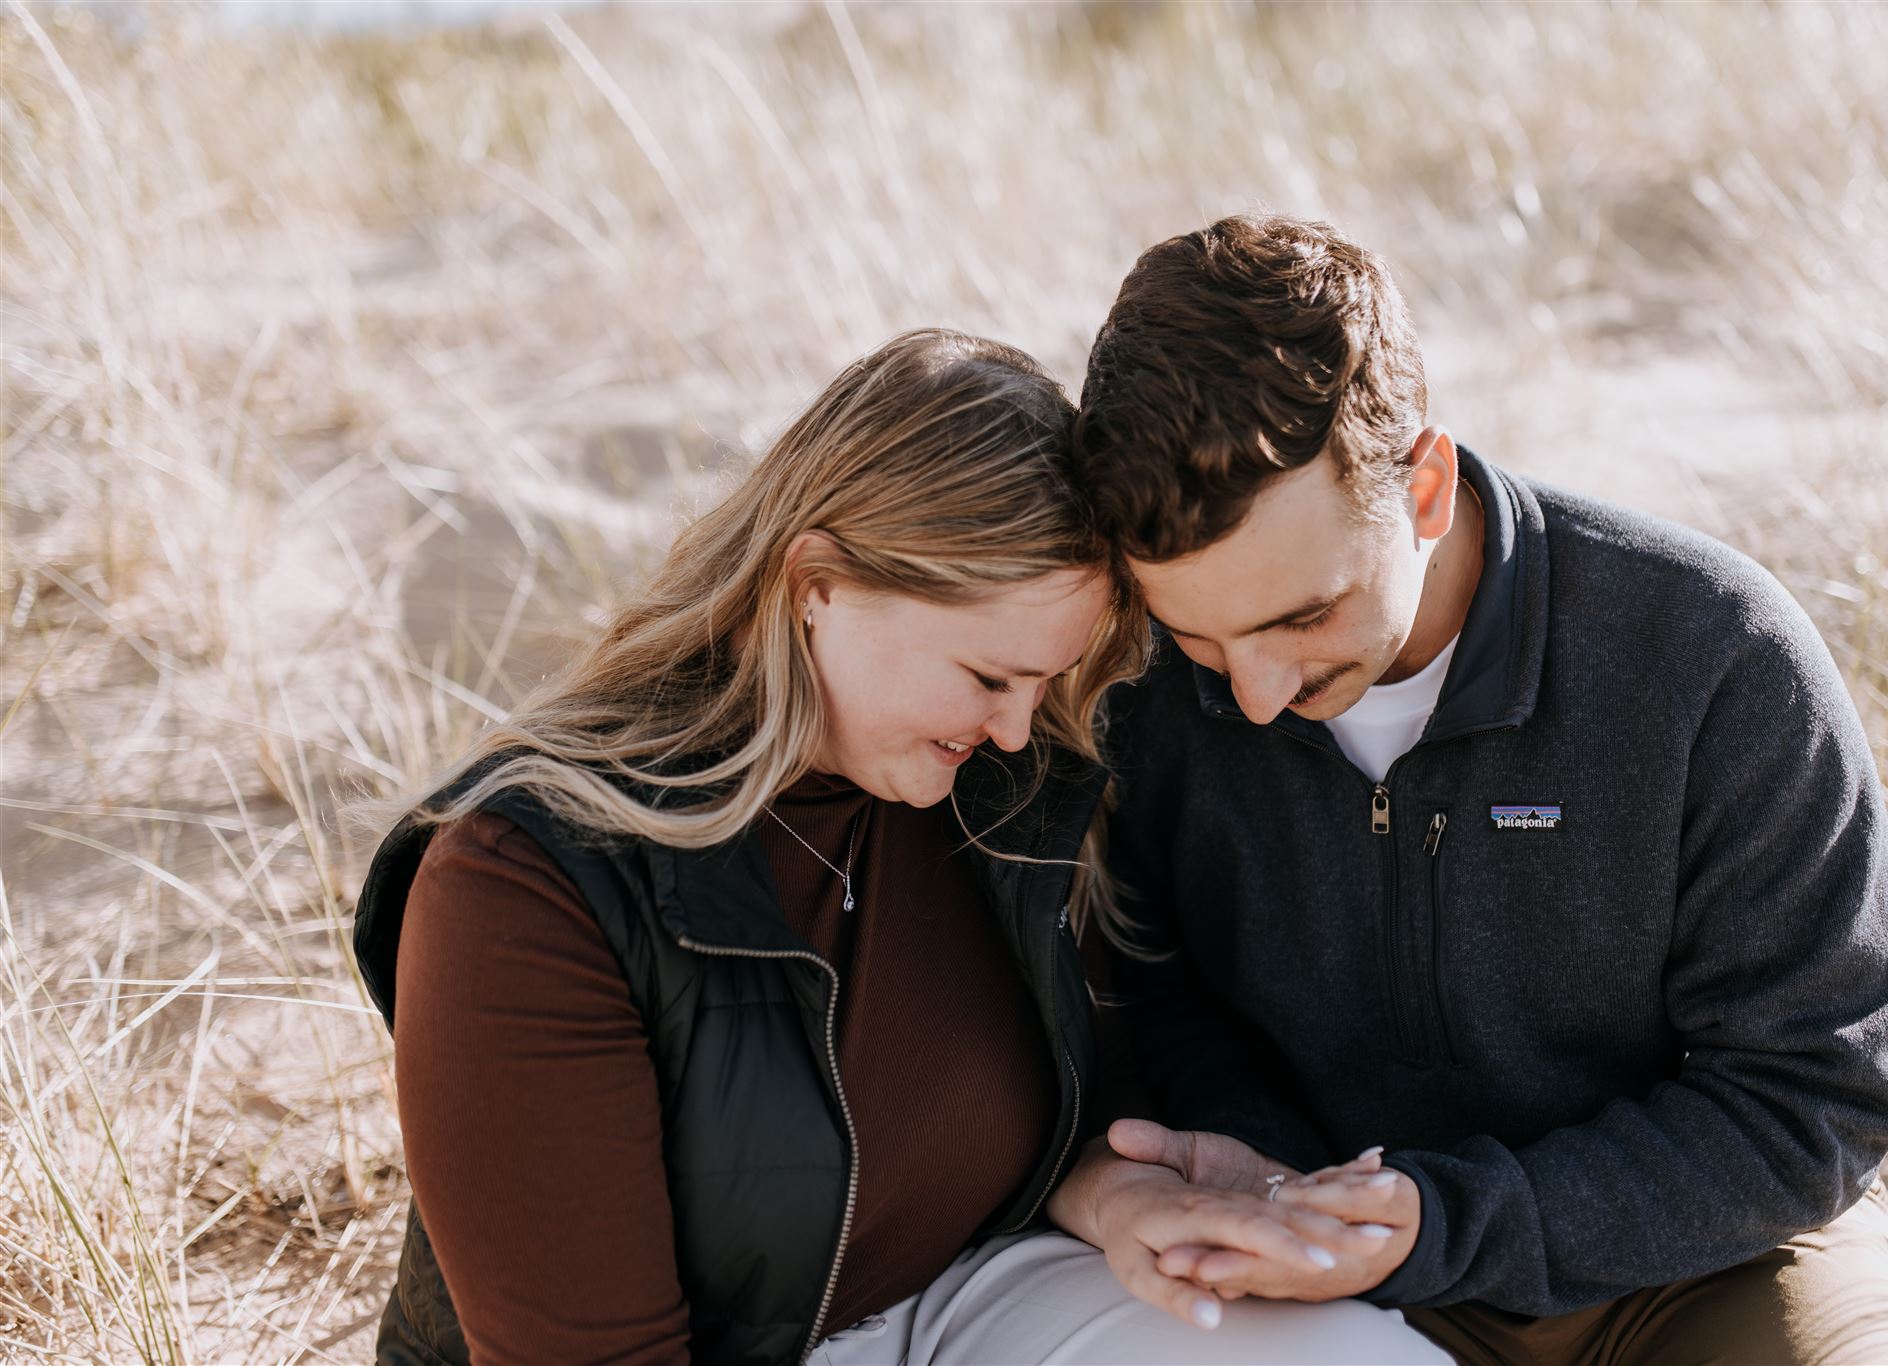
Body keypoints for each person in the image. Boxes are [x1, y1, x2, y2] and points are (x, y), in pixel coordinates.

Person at [349, 328, 1446, 1365]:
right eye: (985, 677)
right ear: (814, 584)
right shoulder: (528, 879)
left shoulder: (1001, 782)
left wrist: (1120, 1190)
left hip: (974, 1293)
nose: (1019, 728)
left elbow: (1030, 1100)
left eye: (1041, 682)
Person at [1062, 214, 1888, 1364]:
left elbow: (1809, 1100)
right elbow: (1159, 1006)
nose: (1251, 693)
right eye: (1200, 636)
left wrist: (1446, 1222)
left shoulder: (1711, 658)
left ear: (1425, 484)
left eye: (1303, 615)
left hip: (1703, 1262)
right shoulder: (1135, 688)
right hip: (1311, 1256)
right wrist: (1259, 1166)